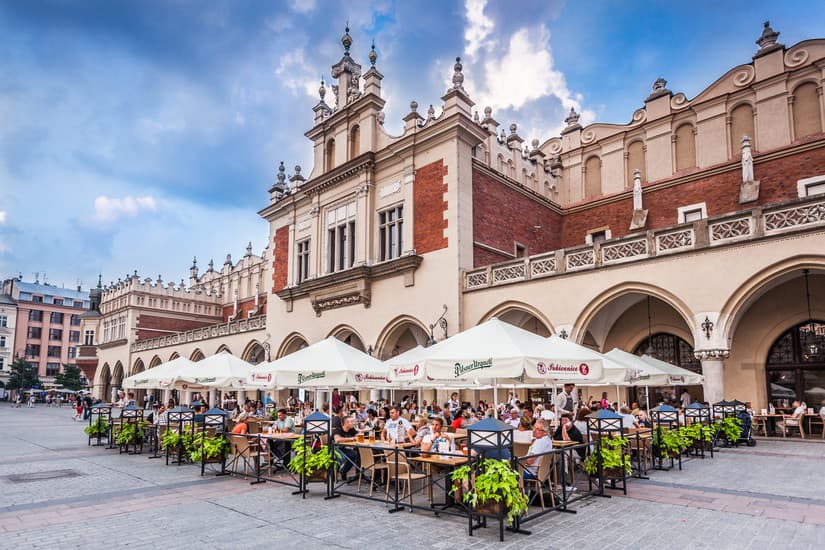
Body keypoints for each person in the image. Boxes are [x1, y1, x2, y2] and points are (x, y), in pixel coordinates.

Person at [332, 416, 360, 482]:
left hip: (342, 448)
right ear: (346, 423)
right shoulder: (338, 430)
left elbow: (357, 435)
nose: (354, 423)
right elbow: (337, 439)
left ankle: (343, 471)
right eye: (352, 422)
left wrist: (357, 435)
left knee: (354, 455)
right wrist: (351, 439)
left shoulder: (351, 429)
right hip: (333, 449)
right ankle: (332, 472)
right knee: (342, 457)